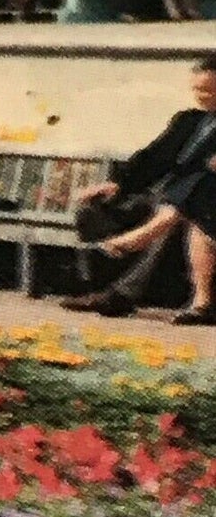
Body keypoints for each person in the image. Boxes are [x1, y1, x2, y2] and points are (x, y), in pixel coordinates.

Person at [61, 55, 216, 326]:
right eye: (197, 89)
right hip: (170, 197)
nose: (200, 96)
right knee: (95, 211)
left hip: (203, 203)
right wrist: (118, 184)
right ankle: (98, 286)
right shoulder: (190, 120)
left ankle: (121, 294)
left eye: (208, 90)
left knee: (190, 200)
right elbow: (153, 157)